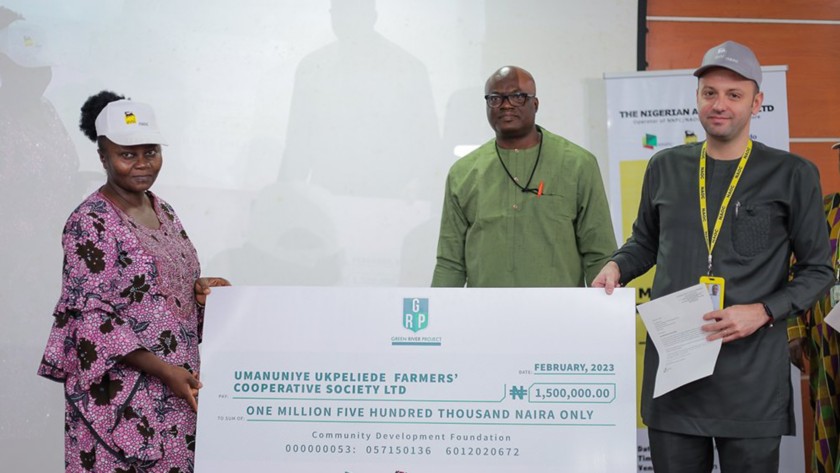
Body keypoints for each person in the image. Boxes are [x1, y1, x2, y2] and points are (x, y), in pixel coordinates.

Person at [593, 40, 833, 472]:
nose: (719, 104)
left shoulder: (793, 174)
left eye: (733, 94)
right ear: (698, 98)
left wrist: (763, 310)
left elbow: (818, 271)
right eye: (709, 93)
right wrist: (615, 267)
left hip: (752, 379)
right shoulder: (665, 166)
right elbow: (644, 243)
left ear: (757, 103)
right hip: (676, 374)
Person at [37, 91, 230, 472]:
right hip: (121, 400)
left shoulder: (165, 211)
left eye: (151, 152)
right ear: (103, 156)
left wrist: (203, 291)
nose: (142, 164)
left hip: (174, 390)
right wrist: (165, 371)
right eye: (127, 155)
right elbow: (91, 320)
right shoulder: (90, 222)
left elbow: (161, 293)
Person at [432, 65, 616, 287]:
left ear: (535, 104)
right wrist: (439, 317)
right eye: (495, 98)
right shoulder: (463, 173)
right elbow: (450, 263)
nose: (506, 105)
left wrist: (603, 314)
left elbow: (600, 255)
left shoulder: (578, 164)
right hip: (484, 316)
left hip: (560, 316)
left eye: (517, 96)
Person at [788, 139, 840, 473]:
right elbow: (794, 270)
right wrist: (794, 330)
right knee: (828, 432)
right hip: (827, 347)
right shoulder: (824, 209)